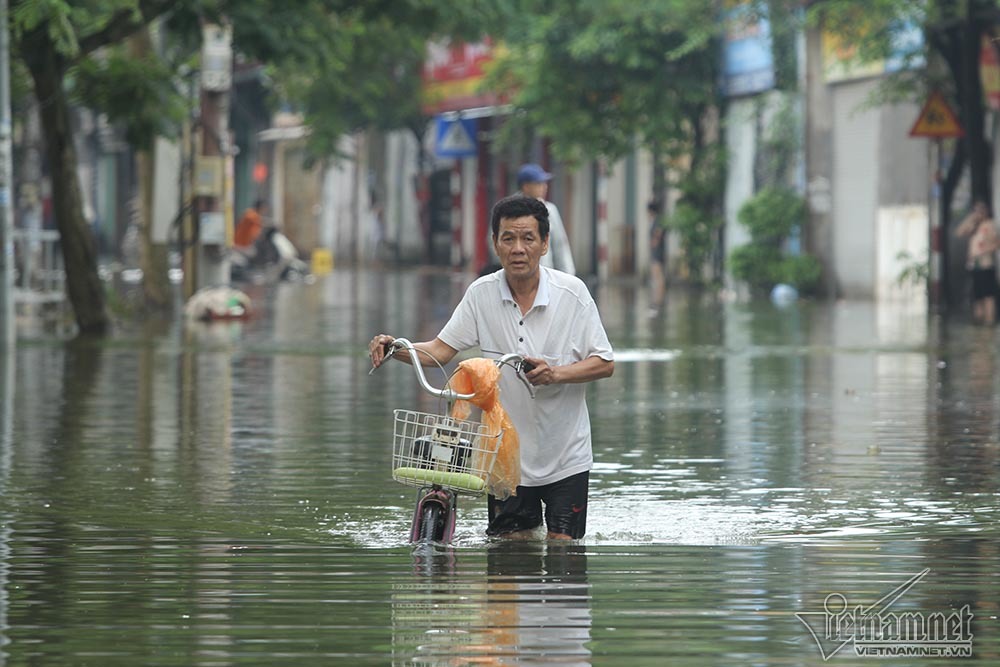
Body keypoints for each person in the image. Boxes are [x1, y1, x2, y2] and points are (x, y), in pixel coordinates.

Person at [370, 194, 614, 540]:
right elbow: (439, 351)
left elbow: (604, 363)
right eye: (508, 238)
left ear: (544, 244)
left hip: (566, 455)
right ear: (495, 243)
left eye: (528, 238)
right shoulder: (481, 294)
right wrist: (394, 347)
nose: (518, 248)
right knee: (507, 562)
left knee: (565, 557)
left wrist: (555, 374)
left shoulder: (572, 294)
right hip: (504, 458)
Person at [516, 163, 576, 275]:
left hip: (545, 278)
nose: (544, 187)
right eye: (539, 183)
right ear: (526, 186)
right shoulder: (509, 210)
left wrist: (568, 276)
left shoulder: (550, 210)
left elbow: (560, 246)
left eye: (544, 183)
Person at [956, 200, 1000, 325]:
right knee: (977, 296)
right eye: (976, 211)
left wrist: (984, 250)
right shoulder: (974, 227)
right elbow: (959, 232)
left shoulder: (989, 225)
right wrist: (971, 218)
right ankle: (979, 325)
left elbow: (998, 243)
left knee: (988, 295)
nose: (978, 213)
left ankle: (989, 321)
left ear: (986, 212)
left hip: (986, 265)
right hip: (974, 266)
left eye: (981, 210)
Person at [647, 200, 666, 314]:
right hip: (656, 251)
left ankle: (658, 299)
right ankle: (657, 298)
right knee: (657, 275)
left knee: (657, 275)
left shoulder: (657, 221)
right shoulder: (656, 220)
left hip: (657, 252)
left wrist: (655, 241)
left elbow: (659, 232)